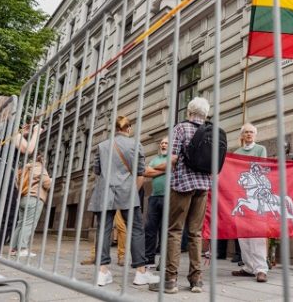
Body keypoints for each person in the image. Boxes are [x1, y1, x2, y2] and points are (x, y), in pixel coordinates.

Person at [149, 97, 213, 294]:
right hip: (203, 186)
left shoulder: (181, 128)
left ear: (189, 111)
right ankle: (196, 280)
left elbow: (174, 157)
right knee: (195, 232)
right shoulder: (212, 131)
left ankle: (170, 279)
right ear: (205, 113)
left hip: (183, 184)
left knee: (175, 230)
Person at [88, 116, 159, 287]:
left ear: (115, 129)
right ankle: (140, 273)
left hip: (104, 191)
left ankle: (102, 272)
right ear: (128, 129)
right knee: (136, 229)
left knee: (103, 230)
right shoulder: (136, 145)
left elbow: (97, 170)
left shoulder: (102, 146)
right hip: (127, 191)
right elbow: (141, 171)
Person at [0, 97, 42, 283]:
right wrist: (35, 132)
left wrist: (21, 133)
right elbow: (29, 149)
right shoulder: (8, 125)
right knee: (5, 218)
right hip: (3, 176)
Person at [230, 123, 269, 283]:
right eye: (246, 132)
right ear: (242, 135)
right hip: (240, 192)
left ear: (255, 135)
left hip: (257, 193)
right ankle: (248, 266)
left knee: (257, 232)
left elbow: (263, 167)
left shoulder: (260, 149)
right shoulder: (236, 153)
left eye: (251, 132)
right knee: (243, 233)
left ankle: (261, 269)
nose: (249, 134)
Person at [143, 137, 189, 267]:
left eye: (166, 143)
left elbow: (159, 169)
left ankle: (163, 261)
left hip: (169, 197)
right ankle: (149, 258)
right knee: (150, 229)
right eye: (162, 143)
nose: (163, 145)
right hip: (154, 197)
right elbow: (146, 172)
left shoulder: (175, 158)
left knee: (166, 230)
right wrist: (164, 169)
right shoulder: (155, 159)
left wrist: (155, 170)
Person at [11, 156, 50, 257]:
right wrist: (51, 180)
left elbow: (16, 183)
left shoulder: (24, 168)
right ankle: (22, 248)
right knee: (29, 223)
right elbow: (47, 184)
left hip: (23, 198)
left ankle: (13, 248)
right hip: (34, 198)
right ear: (42, 160)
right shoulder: (40, 168)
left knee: (20, 223)